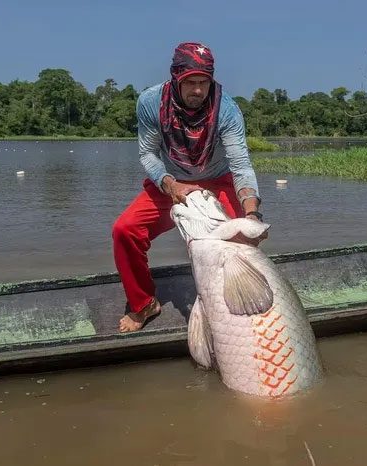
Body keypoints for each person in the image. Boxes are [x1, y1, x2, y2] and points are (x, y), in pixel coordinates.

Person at [112, 41, 265, 333]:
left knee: (242, 243)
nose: (197, 90)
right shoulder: (150, 103)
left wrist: (252, 214)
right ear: (175, 78)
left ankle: (241, 310)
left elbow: (241, 165)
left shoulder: (227, 110)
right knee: (125, 230)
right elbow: (147, 153)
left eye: (203, 83)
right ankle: (144, 304)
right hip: (171, 181)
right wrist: (171, 185)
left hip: (218, 179)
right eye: (190, 82)